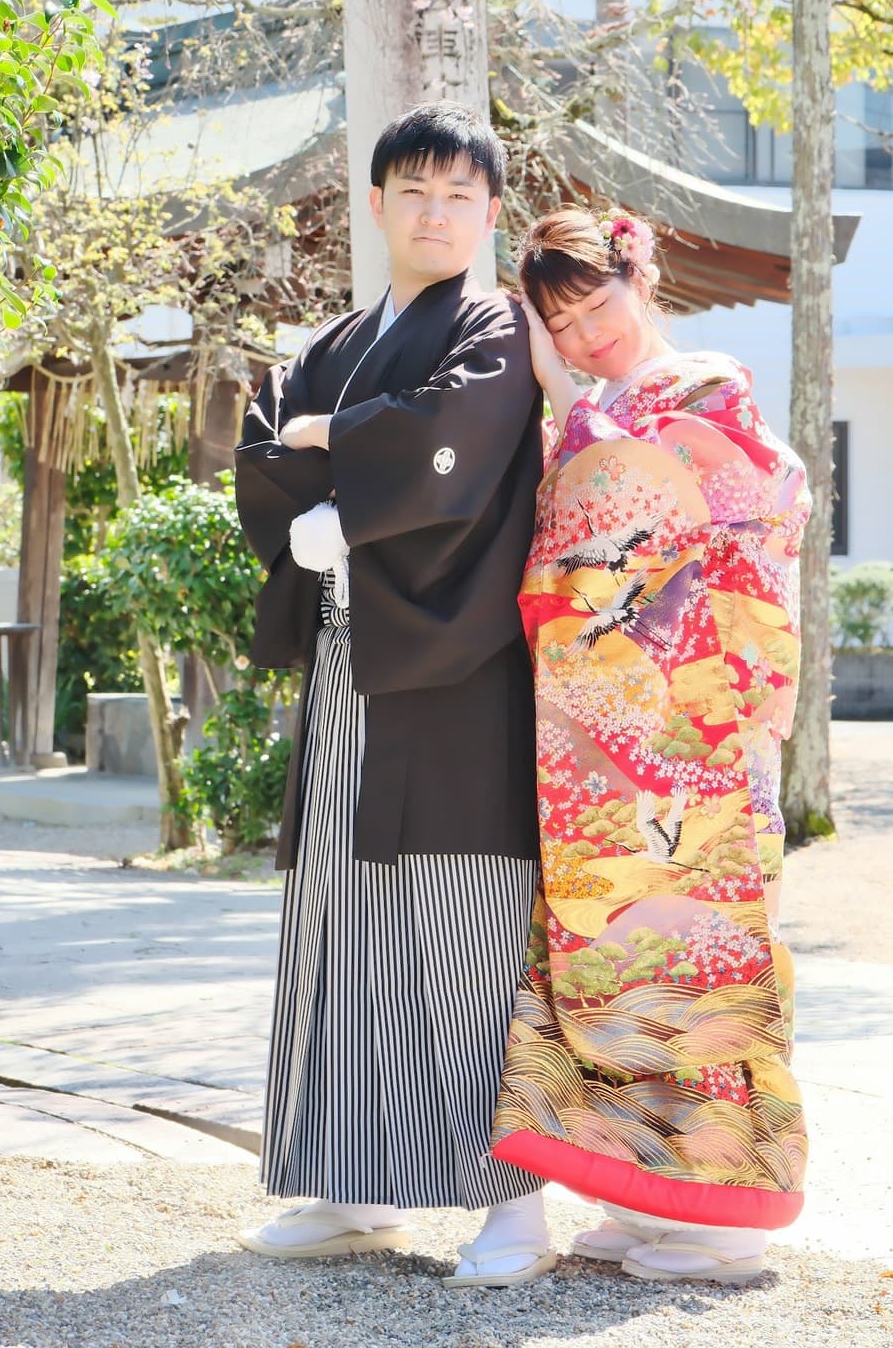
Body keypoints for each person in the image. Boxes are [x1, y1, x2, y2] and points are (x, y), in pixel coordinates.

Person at [232, 104, 554, 1288]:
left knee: (466, 924)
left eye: (460, 195)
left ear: (489, 212)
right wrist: (339, 466)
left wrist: (345, 475)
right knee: (344, 916)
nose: (436, 212)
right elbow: (267, 446)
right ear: (376, 204)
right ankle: (354, 1182)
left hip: (455, 670)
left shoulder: (494, 327)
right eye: (413, 190)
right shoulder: (334, 340)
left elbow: (452, 450)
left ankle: (514, 1205)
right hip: (348, 665)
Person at [490, 206, 811, 1285]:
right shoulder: (591, 413)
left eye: (599, 305)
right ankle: (650, 1197)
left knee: (702, 960)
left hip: (698, 730)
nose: (588, 337)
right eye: (561, 326)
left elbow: (680, 527)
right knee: (611, 960)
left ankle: (726, 1215)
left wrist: (567, 403)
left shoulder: (706, 387)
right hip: (615, 744)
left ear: (642, 280)